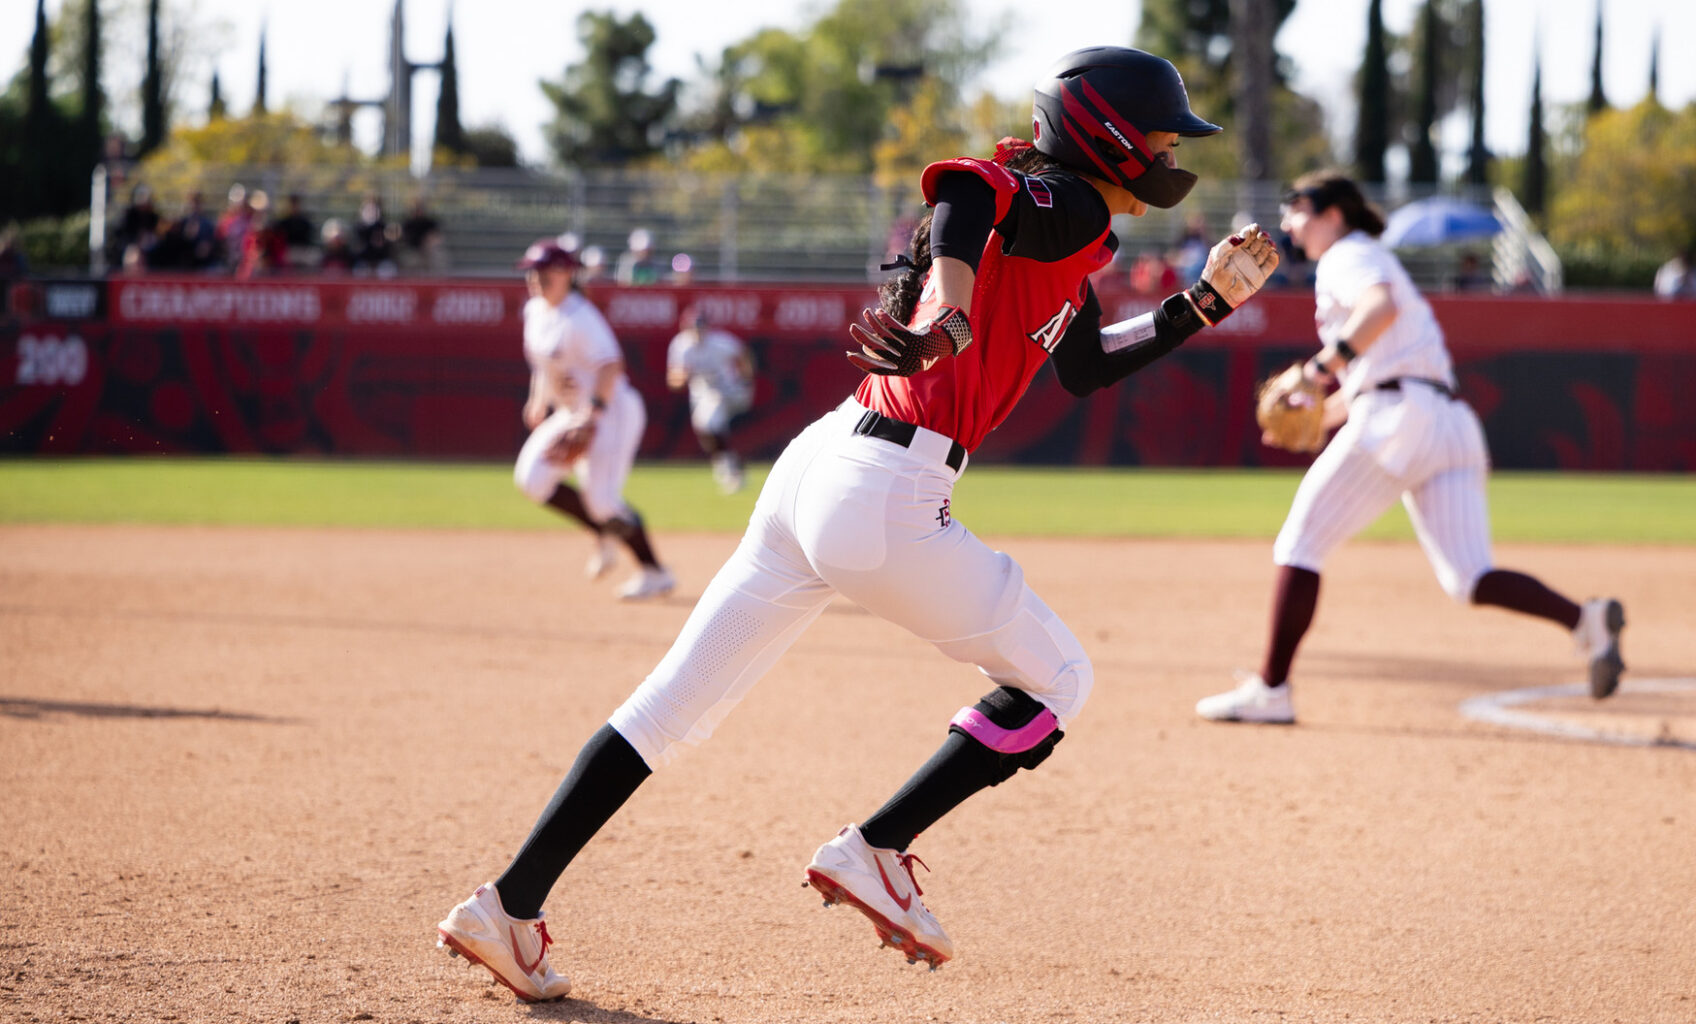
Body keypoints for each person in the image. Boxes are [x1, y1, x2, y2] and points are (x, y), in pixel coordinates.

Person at [434, 45, 1279, 1000]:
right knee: (1060, 680)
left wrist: (1200, 305)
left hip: (823, 468)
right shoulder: (1067, 204)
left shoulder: (1067, 235)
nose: (1175, 147)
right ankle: (877, 847)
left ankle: (508, 905)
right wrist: (953, 311)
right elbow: (967, 190)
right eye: (1164, 130)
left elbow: (1082, 364)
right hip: (888, 489)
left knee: (667, 709)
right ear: (1113, 136)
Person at [1193, 172, 1626, 727]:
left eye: (1297, 207)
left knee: (1301, 542)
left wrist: (1316, 370)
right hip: (1446, 421)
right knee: (1469, 578)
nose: (1288, 221)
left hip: (1401, 418)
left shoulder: (1347, 255)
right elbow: (1379, 367)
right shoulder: (1364, 254)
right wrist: (1320, 417)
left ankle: (1271, 690)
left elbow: (1381, 310)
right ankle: (1585, 622)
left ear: (1333, 214)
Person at [509, 238, 674, 602]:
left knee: (602, 500)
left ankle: (655, 571)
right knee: (532, 479)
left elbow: (611, 365)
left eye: (542, 271)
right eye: (530, 272)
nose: (534, 279)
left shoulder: (580, 316)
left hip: (611, 412)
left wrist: (593, 413)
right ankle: (604, 533)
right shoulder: (536, 312)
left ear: (566, 274)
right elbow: (544, 364)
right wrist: (539, 400)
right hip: (572, 413)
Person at [665, 309, 756, 494]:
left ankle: (728, 467)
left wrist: (746, 378)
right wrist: (680, 377)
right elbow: (673, 380)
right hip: (704, 394)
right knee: (706, 428)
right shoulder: (681, 346)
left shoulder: (720, 342)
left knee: (710, 423)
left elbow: (743, 354)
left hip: (730, 390)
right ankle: (731, 465)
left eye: (700, 327)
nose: (697, 332)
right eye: (693, 328)